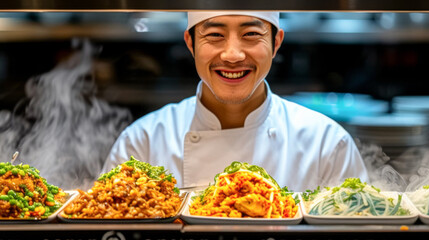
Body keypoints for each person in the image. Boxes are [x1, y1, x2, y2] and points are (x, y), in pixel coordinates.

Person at [103, 12, 367, 191]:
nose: (232, 55)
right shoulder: (142, 142)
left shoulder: (328, 145)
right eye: (215, 35)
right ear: (190, 43)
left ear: (276, 42)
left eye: (251, 34)